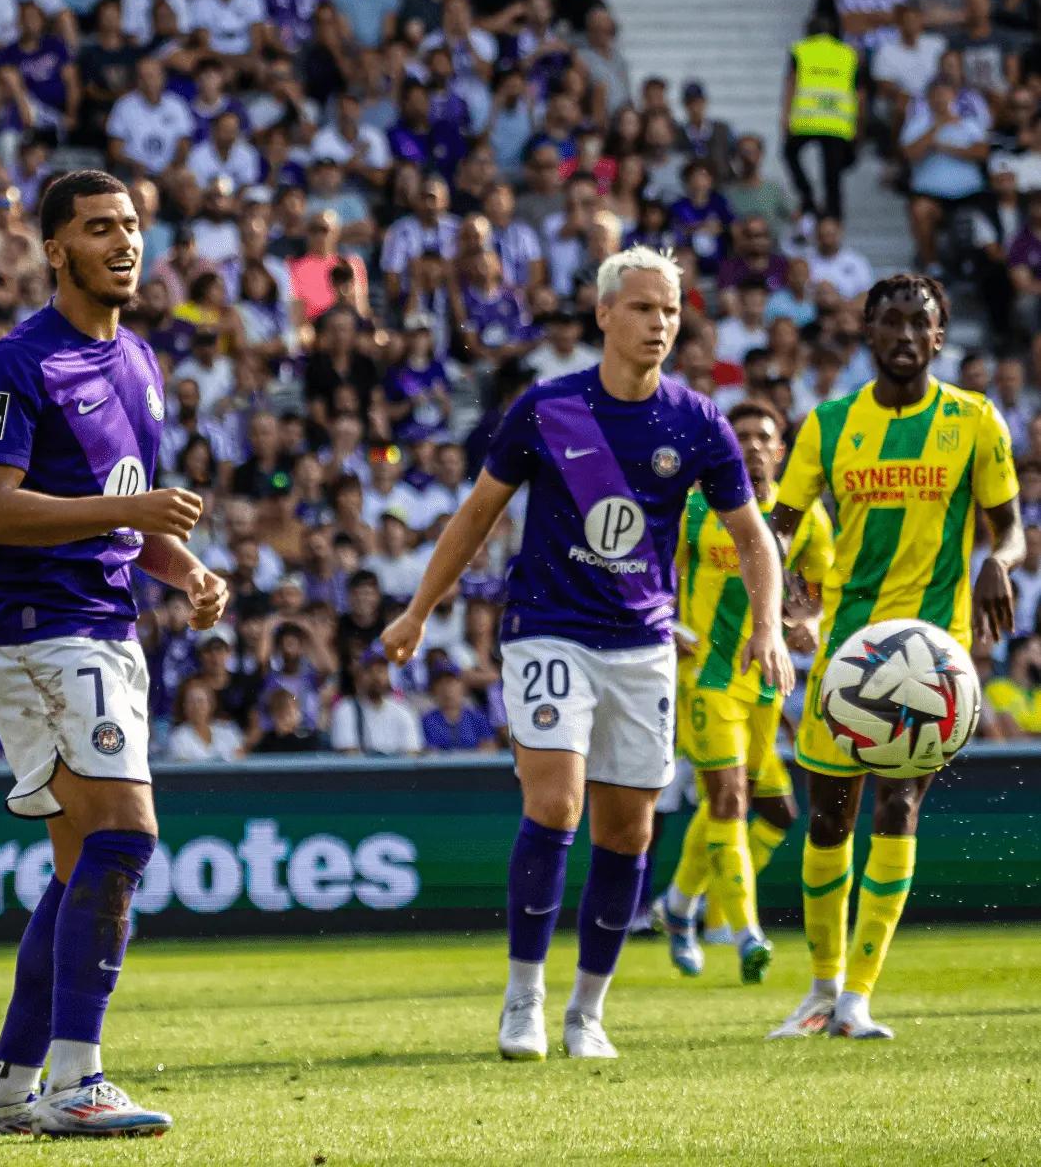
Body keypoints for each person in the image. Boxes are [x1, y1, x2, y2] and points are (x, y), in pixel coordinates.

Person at [380, 246, 791, 1062]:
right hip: (548, 629)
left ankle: (586, 1012)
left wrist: (769, 627)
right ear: (604, 314)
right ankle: (522, 999)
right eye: (642, 309)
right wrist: (419, 610)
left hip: (642, 645)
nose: (659, 325)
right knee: (556, 802)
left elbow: (755, 539)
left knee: (629, 832)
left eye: (670, 312)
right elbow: (475, 515)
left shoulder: (698, 420)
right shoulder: (546, 407)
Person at [0, 170, 227, 1138]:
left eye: (131, 227)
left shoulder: (141, 360)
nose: (122, 242)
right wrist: (130, 512)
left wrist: (186, 568)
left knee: (83, 866)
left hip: (103, 622)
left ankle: (4, 1091)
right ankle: (78, 1076)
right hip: (38, 625)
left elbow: (127, 514)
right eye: (97, 227)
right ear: (54, 248)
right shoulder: (18, 359)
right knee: (126, 834)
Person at [765, 275, 1022, 1041]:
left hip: (930, 658)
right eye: (891, 322)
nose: (906, 334)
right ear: (867, 334)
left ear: (940, 338)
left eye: (921, 322)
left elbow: (1007, 526)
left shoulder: (975, 420)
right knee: (828, 819)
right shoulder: (828, 424)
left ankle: (858, 998)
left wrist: (999, 561)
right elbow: (779, 524)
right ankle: (820, 987)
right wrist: (785, 589)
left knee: (899, 806)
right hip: (848, 654)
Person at [659, 401, 834, 982]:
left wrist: (810, 619)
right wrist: (671, 627)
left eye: (766, 435)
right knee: (728, 799)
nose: (755, 445)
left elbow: (818, 590)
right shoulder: (692, 508)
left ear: (780, 449)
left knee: (778, 811)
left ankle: (680, 906)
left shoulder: (803, 518)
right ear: (729, 447)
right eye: (744, 436)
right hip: (704, 679)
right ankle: (743, 932)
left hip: (764, 685)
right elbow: (652, 577)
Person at [781, 14, 860, 223]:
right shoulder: (847, 53)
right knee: (832, 174)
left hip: (807, 119)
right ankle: (834, 216)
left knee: (790, 153)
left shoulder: (801, 50)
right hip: (837, 121)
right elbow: (858, 92)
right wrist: (856, 123)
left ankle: (807, 197)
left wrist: (785, 116)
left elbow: (791, 83)